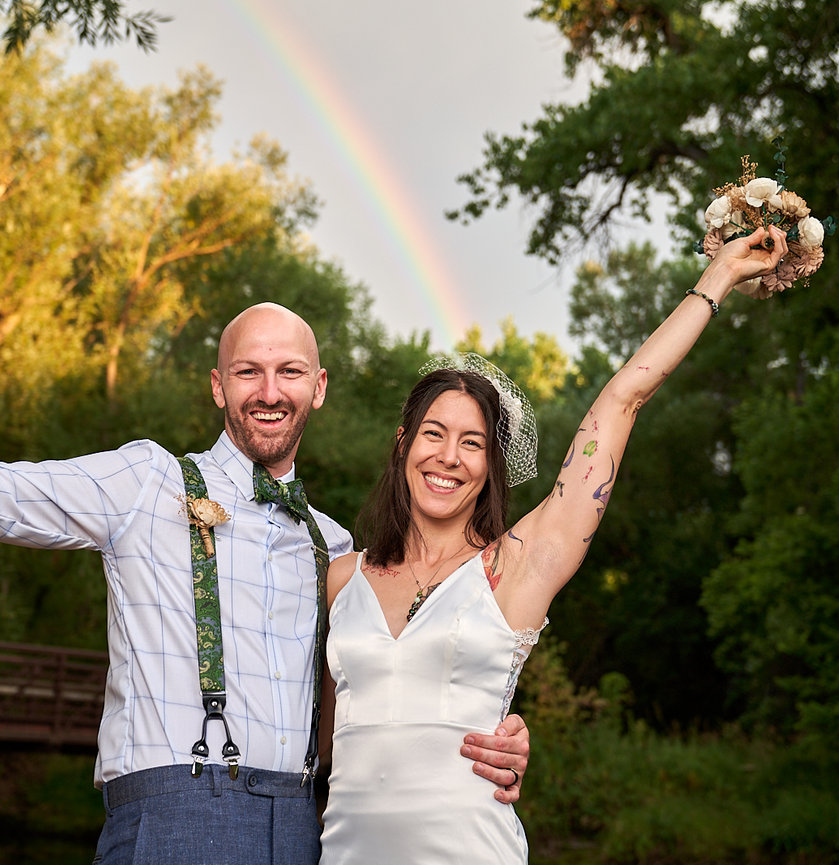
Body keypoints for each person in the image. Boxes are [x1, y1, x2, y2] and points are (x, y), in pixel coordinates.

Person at [0, 191, 529, 865]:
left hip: (307, 829)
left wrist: (488, 742)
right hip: (173, 818)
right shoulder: (142, 483)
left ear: (317, 387)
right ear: (218, 387)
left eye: (289, 371)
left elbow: (387, 697)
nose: (270, 390)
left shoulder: (338, 550)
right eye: (247, 371)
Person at [316, 225, 789, 864]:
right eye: (434, 433)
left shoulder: (516, 567)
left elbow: (623, 399)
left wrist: (720, 278)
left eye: (473, 442)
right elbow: (320, 742)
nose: (448, 457)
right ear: (404, 443)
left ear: (491, 465)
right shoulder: (341, 578)